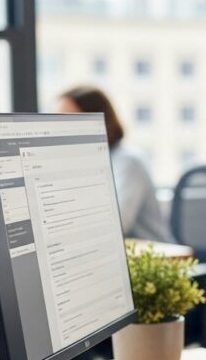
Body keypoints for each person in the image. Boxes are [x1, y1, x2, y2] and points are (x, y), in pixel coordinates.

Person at [56, 86, 172, 244]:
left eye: (67, 120)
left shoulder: (128, 161)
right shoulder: (86, 164)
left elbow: (118, 224)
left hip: (151, 259)